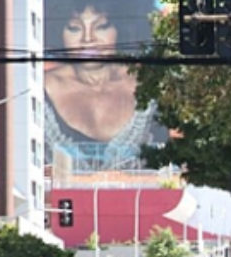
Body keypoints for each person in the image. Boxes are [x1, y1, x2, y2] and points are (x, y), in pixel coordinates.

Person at [43, 0, 166, 167]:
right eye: (74, 28)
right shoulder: (35, 89)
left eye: (101, 26)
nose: (88, 39)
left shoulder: (153, 86)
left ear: (122, 28)